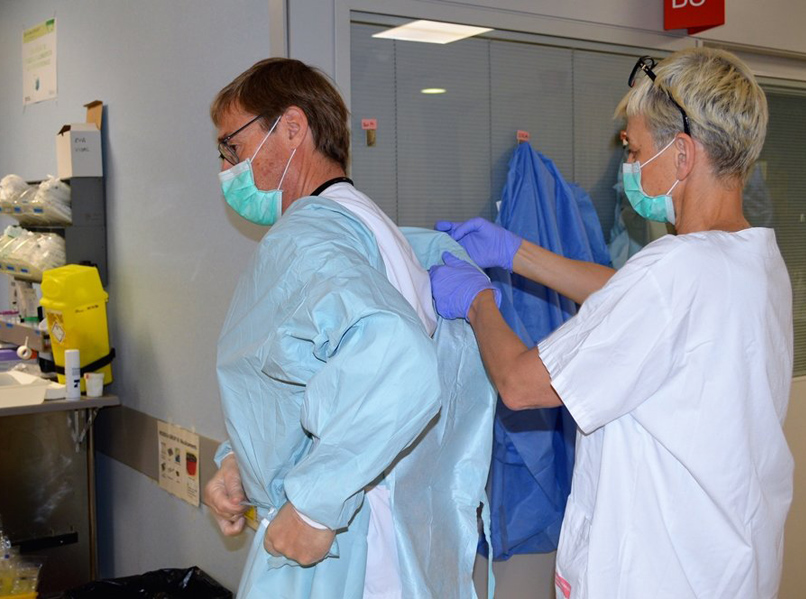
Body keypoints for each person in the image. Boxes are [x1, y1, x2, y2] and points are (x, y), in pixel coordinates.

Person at [429, 47, 794, 598]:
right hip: (729, 565)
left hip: (659, 575)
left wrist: (479, 300)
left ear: (684, 155)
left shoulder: (675, 270)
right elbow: (633, 304)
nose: (629, 166)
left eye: (636, 149)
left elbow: (520, 385)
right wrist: (514, 252)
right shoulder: (753, 260)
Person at [203, 58, 495, 598]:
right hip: (377, 528)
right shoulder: (361, 224)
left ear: (292, 128)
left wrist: (315, 503)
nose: (228, 167)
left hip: (344, 543)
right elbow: (314, 378)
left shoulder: (310, 235)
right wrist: (245, 460)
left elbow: (398, 359)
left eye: (233, 147)